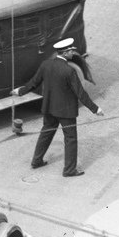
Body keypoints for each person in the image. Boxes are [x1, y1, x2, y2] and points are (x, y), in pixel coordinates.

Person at [24, 38, 100, 177]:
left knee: (46, 132)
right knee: (70, 139)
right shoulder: (69, 70)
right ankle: (69, 170)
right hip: (66, 111)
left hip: (49, 108)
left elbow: (34, 83)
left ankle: (36, 161)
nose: (73, 52)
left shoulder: (46, 64)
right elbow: (80, 93)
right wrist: (95, 109)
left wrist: (21, 91)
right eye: (71, 51)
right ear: (65, 53)